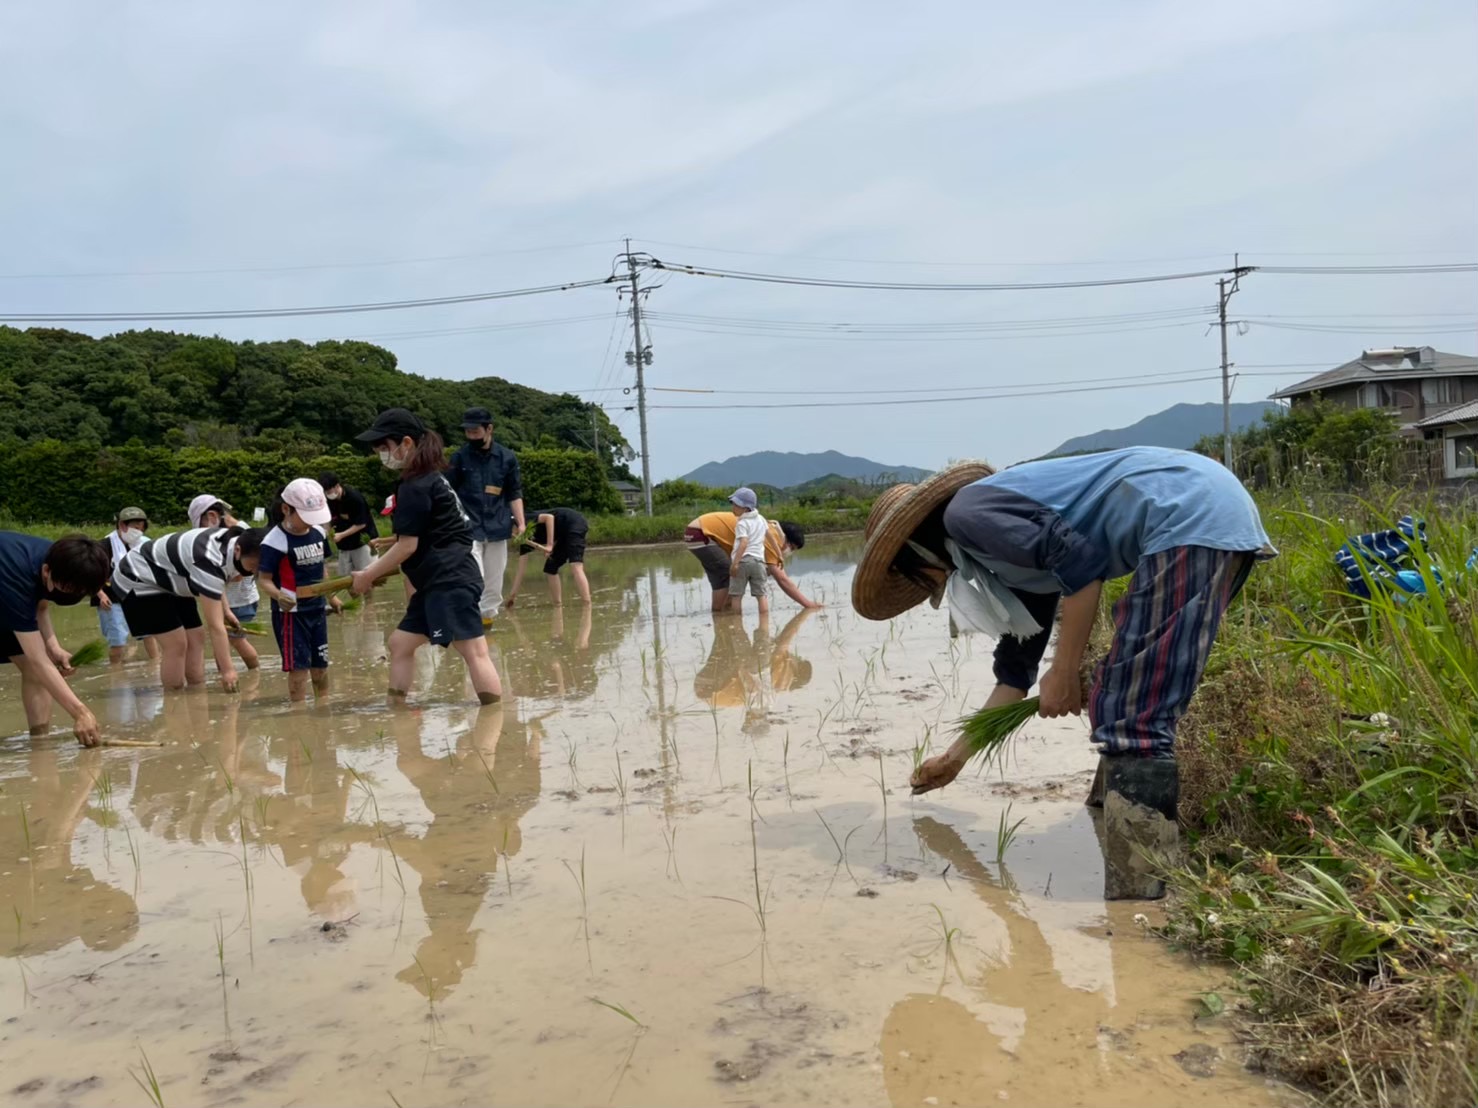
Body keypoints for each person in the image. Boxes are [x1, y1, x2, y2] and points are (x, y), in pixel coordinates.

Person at [851, 446, 1274, 899]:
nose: (930, 588)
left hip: (1187, 512)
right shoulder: (1001, 552)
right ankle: (1120, 846)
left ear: (915, 549)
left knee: (1134, 716)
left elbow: (1082, 567)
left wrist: (1065, 669)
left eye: (915, 578)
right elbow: (1015, 675)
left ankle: (1138, 900)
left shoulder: (967, 514)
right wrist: (954, 759)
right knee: (1127, 693)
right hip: (1207, 510)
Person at [350, 408, 503, 705]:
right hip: (440, 581)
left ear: (406, 443)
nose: (381, 454)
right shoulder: (430, 479)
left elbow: (407, 545)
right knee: (400, 644)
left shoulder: (416, 486)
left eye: (384, 447)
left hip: (449, 580)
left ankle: (492, 721)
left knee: (474, 651)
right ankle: (397, 710)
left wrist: (367, 575)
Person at [113, 524, 266, 692]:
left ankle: (196, 692)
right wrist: (228, 671)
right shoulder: (208, 559)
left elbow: (217, 579)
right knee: (176, 644)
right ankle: (174, 697)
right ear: (238, 550)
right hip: (137, 577)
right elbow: (215, 627)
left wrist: (226, 610)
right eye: (255, 565)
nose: (257, 571)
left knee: (197, 636)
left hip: (172, 575)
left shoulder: (234, 543)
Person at [0, 532, 111, 746]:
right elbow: (37, 659)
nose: (71, 595)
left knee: (34, 671)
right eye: (68, 590)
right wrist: (80, 712)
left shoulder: (65, 561)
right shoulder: (16, 578)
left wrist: (54, 647)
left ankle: (40, 740)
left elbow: (40, 606)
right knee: (36, 664)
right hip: (5, 581)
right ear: (45, 571)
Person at [257, 479, 335, 701]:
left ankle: (323, 706)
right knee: (298, 670)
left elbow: (323, 568)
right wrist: (278, 595)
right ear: (286, 509)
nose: (310, 523)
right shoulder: (274, 542)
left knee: (321, 667)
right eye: (305, 517)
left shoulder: (318, 533)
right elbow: (264, 580)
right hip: (291, 615)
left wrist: (332, 598)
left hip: (317, 609)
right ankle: (298, 710)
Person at [446, 406, 525, 624]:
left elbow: (514, 493)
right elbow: (448, 492)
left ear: (489, 429)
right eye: (467, 432)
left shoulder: (507, 458)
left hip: (498, 526)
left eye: (475, 431)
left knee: (494, 584)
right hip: (468, 528)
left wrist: (521, 523)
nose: (471, 436)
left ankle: (486, 626)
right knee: (475, 577)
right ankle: (469, 624)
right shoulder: (459, 458)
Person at [684, 508, 820, 612]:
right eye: (792, 547)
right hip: (702, 534)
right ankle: (720, 612)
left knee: (723, 576)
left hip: (696, 532)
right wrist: (808, 605)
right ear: (785, 538)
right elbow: (782, 579)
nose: (789, 551)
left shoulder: (769, 529)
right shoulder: (773, 537)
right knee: (727, 574)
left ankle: (720, 614)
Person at [97, 506, 158, 664]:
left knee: (149, 633)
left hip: (137, 594)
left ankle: (156, 664)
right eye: (135, 528)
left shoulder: (144, 544)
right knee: (117, 640)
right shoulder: (103, 547)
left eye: (141, 528)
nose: (138, 532)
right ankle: (116, 671)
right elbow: (91, 574)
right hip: (110, 598)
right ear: (122, 525)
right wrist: (101, 595)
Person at [505, 507, 591, 608]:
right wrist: (512, 595)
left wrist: (549, 545)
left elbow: (549, 518)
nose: (513, 535)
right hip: (562, 533)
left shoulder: (524, 519)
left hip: (573, 522)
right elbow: (521, 570)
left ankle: (587, 605)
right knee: (550, 568)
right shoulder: (525, 540)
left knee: (575, 565)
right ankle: (558, 606)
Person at [318, 471, 379, 577]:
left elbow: (361, 524)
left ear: (337, 486)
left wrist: (341, 535)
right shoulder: (328, 501)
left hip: (363, 543)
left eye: (329, 490)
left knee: (367, 577)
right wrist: (327, 531)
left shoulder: (354, 498)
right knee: (346, 579)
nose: (327, 493)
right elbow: (327, 518)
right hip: (344, 546)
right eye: (325, 491)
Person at [727, 487, 771, 616]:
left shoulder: (742, 523)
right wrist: (779, 555)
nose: (733, 508)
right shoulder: (761, 519)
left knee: (736, 595)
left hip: (743, 562)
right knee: (761, 595)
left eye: (736, 505)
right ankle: (764, 623)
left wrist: (735, 564)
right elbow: (770, 537)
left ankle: (737, 622)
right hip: (759, 562)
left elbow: (744, 542)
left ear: (746, 508)